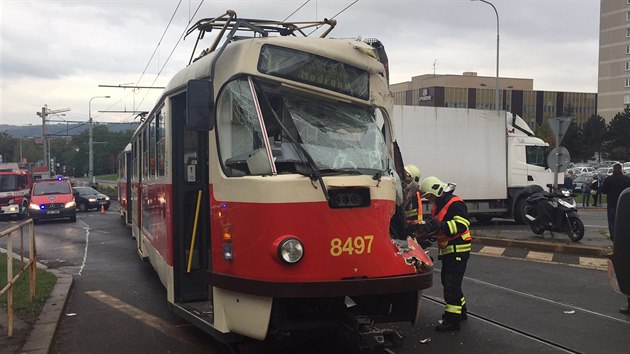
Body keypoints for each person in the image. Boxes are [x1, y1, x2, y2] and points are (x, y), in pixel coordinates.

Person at [417, 176, 471, 331]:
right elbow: (440, 227)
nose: (429, 199)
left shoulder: (455, 203)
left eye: (429, 196)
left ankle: (452, 320)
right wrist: (428, 231)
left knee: (450, 284)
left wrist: (439, 225)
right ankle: (461, 312)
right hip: (450, 251)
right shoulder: (439, 206)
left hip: (458, 250)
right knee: (453, 283)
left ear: (435, 191)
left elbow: (462, 224)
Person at [600, 163, 630, 241]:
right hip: (624, 204)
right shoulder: (626, 179)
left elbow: (603, 191)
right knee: (624, 221)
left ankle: (613, 236)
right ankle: (623, 236)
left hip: (612, 203)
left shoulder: (608, 179)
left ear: (613, 170)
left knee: (612, 221)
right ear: (621, 169)